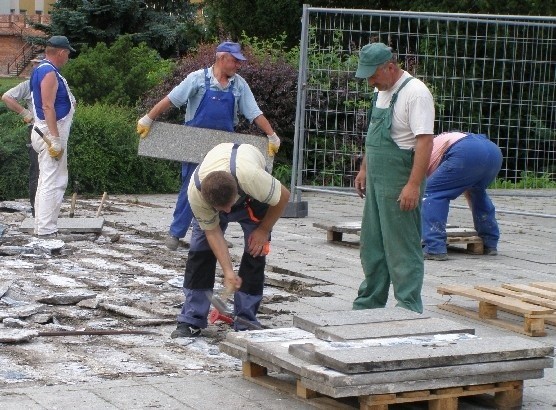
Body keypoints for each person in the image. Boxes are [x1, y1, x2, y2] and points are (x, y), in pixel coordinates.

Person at [137, 41, 280, 251]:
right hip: (194, 143)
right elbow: (171, 99)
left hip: (223, 148)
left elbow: (254, 112)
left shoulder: (239, 85)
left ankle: (216, 234)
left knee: (222, 190)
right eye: (235, 61)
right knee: (189, 188)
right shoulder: (197, 79)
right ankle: (175, 234)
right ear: (222, 58)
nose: (238, 65)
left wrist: (272, 135)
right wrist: (148, 119)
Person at [170, 142, 290, 337]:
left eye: (229, 206)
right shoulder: (196, 193)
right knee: (200, 251)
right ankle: (191, 319)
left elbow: (283, 196)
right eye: (221, 209)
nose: (228, 212)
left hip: (251, 198)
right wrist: (228, 272)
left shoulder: (253, 179)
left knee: (256, 250)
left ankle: (245, 320)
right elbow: (213, 233)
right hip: (217, 194)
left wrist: (263, 230)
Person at [352, 42, 435, 314]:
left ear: (390, 66)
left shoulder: (416, 93)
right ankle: (369, 303)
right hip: (376, 176)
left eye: (373, 75)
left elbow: (424, 142)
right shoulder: (381, 90)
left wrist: (413, 185)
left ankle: (408, 306)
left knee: (401, 245)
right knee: (372, 243)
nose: (370, 82)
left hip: (400, 177)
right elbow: (373, 134)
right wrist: (365, 168)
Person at [422, 131, 502, 260]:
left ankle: (434, 247)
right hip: (492, 150)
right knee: (477, 192)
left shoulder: (419, 155)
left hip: (465, 150)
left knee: (432, 193)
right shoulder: (439, 140)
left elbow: (419, 194)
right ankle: (489, 242)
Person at [29, 36, 76, 238]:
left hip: (46, 130)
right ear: (60, 52)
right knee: (53, 181)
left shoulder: (41, 69)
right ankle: (47, 231)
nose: (68, 57)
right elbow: (48, 106)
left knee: (45, 180)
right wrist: (55, 139)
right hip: (50, 132)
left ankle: (42, 227)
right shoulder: (48, 72)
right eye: (67, 53)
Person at [2, 54, 45, 217]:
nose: (36, 68)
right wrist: (24, 112)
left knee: (52, 171)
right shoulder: (28, 85)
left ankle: (48, 209)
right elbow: (7, 97)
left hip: (53, 130)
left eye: (39, 65)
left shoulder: (55, 83)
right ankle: (37, 210)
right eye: (35, 65)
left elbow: (72, 102)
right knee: (37, 170)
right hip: (36, 130)